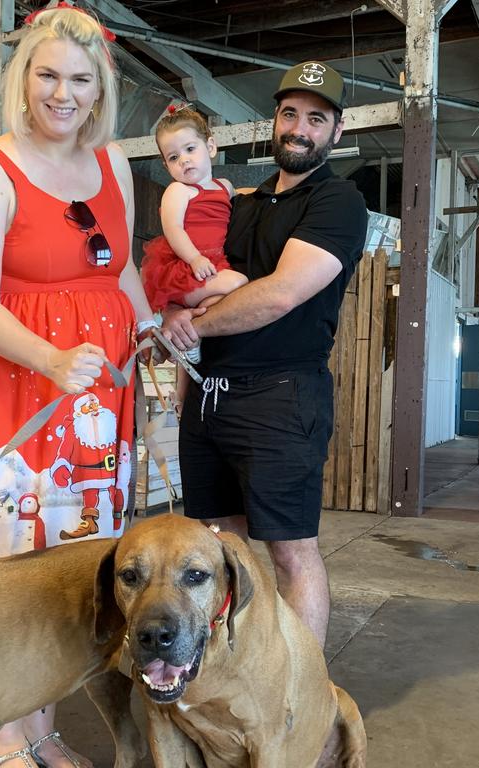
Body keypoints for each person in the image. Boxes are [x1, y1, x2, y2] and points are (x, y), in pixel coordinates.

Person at [0, 6, 154, 767]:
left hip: (99, 396)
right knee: (12, 565)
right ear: (22, 79)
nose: (62, 95)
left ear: (100, 90)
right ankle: (2, 734)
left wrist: (148, 328)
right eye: (47, 76)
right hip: (18, 393)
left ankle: (42, 729)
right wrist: (53, 358)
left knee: (73, 570)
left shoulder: (115, 166)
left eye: (79, 80)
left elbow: (119, 266)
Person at [160, 61, 369, 649]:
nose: (300, 128)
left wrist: (191, 329)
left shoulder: (338, 202)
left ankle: (299, 693)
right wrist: (175, 312)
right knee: (219, 544)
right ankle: (236, 668)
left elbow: (278, 294)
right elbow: (193, 276)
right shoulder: (241, 203)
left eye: (316, 118)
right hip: (209, 395)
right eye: (290, 115)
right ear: (274, 121)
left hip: (281, 396)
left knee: (290, 549)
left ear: (336, 129)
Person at [139, 107, 248, 370]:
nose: (184, 160)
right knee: (239, 282)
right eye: (174, 157)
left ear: (210, 146)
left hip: (212, 263)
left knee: (216, 303)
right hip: (186, 267)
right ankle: (192, 335)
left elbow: (240, 198)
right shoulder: (178, 190)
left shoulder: (225, 186)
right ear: (165, 165)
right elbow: (173, 229)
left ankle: (186, 336)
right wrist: (194, 258)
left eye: (190, 149)